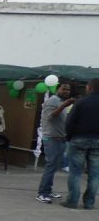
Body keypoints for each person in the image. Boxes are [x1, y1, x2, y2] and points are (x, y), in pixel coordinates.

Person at [63, 78, 99, 209]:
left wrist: (69, 137)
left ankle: (72, 201)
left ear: (89, 87)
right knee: (95, 174)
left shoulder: (81, 102)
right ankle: (89, 203)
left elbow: (70, 122)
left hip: (79, 139)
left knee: (75, 172)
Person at [36, 83, 74, 203]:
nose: (66, 91)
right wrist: (63, 106)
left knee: (54, 166)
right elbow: (50, 117)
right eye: (64, 89)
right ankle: (42, 193)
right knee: (50, 166)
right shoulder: (53, 100)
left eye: (68, 90)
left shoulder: (60, 101)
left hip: (60, 138)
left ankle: (48, 190)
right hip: (51, 138)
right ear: (57, 89)